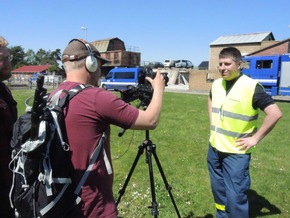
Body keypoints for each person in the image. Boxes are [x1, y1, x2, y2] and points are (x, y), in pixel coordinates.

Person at [53, 38, 166, 218]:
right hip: (92, 203)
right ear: (90, 64)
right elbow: (150, 120)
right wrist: (159, 88)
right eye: (100, 66)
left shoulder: (53, 96)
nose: (100, 72)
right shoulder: (96, 97)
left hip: (60, 197)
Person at [207, 47, 282, 218]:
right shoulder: (217, 84)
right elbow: (211, 99)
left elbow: (275, 113)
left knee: (235, 197)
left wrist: (255, 139)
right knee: (219, 192)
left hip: (236, 152)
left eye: (227, 64)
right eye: (220, 64)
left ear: (239, 64)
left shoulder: (251, 87)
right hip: (214, 148)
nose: (223, 68)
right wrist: (213, 122)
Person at [0, 36, 17, 218]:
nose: (9, 63)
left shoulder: (4, 90)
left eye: (8, 57)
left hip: (9, 181)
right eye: (3, 59)